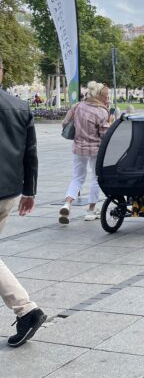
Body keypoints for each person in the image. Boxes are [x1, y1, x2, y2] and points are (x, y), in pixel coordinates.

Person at [0, 55, 47, 347]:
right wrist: (29, 191)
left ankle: (26, 309)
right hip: (8, 193)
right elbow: (31, 153)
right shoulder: (19, 106)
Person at [59, 81, 111, 224]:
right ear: (99, 96)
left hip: (78, 148)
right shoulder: (102, 111)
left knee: (77, 178)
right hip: (95, 149)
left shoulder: (77, 106)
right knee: (96, 177)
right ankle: (91, 210)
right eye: (106, 96)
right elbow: (104, 133)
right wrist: (110, 123)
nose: (107, 99)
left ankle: (67, 204)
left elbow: (65, 123)